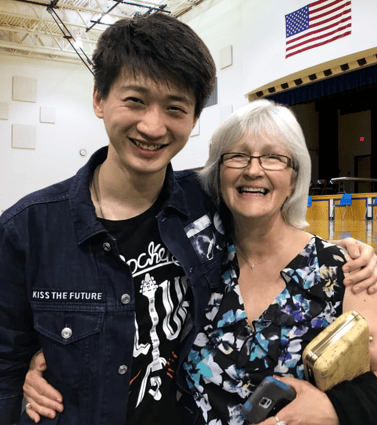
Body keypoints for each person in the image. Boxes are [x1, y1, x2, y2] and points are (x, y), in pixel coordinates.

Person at [7, 15, 377, 425]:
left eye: (174, 108)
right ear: (99, 98)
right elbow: (7, 363)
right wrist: (38, 366)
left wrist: (338, 407)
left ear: (194, 119)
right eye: (134, 100)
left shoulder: (204, 208)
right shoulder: (28, 229)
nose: (152, 125)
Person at [181, 100, 377, 425]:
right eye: (237, 155)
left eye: (273, 157)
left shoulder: (347, 270)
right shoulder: (193, 262)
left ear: (294, 177)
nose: (253, 169)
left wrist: (337, 410)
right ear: (218, 173)